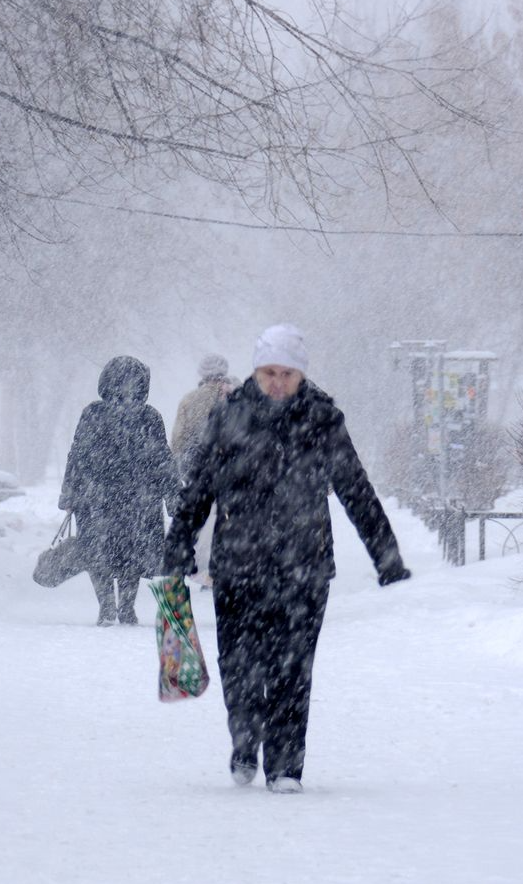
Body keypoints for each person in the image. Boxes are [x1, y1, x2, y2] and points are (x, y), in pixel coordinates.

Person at [163, 323, 411, 794]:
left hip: (305, 567)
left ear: (302, 374)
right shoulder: (229, 417)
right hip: (238, 566)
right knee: (238, 664)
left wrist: (387, 556)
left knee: (293, 669)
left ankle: (285, 767)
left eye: (287, 373)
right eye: (269, 372)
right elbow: (198, 490)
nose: (277, 382)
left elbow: (355, 489)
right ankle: (244, 741)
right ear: (255, 371)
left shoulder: (322, 420)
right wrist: (177, 547)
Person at [60, 355, 179, 626]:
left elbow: (77, 455)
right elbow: (163, 459)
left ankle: (110, 607)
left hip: (100, 498)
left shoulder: (94, 413)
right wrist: (172, 495)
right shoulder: (148, 416)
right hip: (136, 498)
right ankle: (123, 607)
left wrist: (70, 493)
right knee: (129, 554)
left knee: (102, 551)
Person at [170, 353, 233, 587]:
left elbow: (178, 441)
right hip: (231, 469)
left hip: (199, 470)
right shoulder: (236, 397)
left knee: (202, 521)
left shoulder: (189, 400)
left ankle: (204, 569)